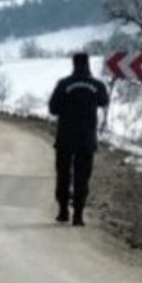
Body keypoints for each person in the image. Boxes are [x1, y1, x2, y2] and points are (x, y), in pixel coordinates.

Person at [49, 53, 110, 227]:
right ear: (88, 64)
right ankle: (78, 215)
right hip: (87, 138)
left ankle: (63, 211)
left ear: (73, 64)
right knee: (82, 176)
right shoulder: (97, 85)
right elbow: (104, 101)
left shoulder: (63, 84)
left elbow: (53, 109)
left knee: (63, 174)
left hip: (65, 137)